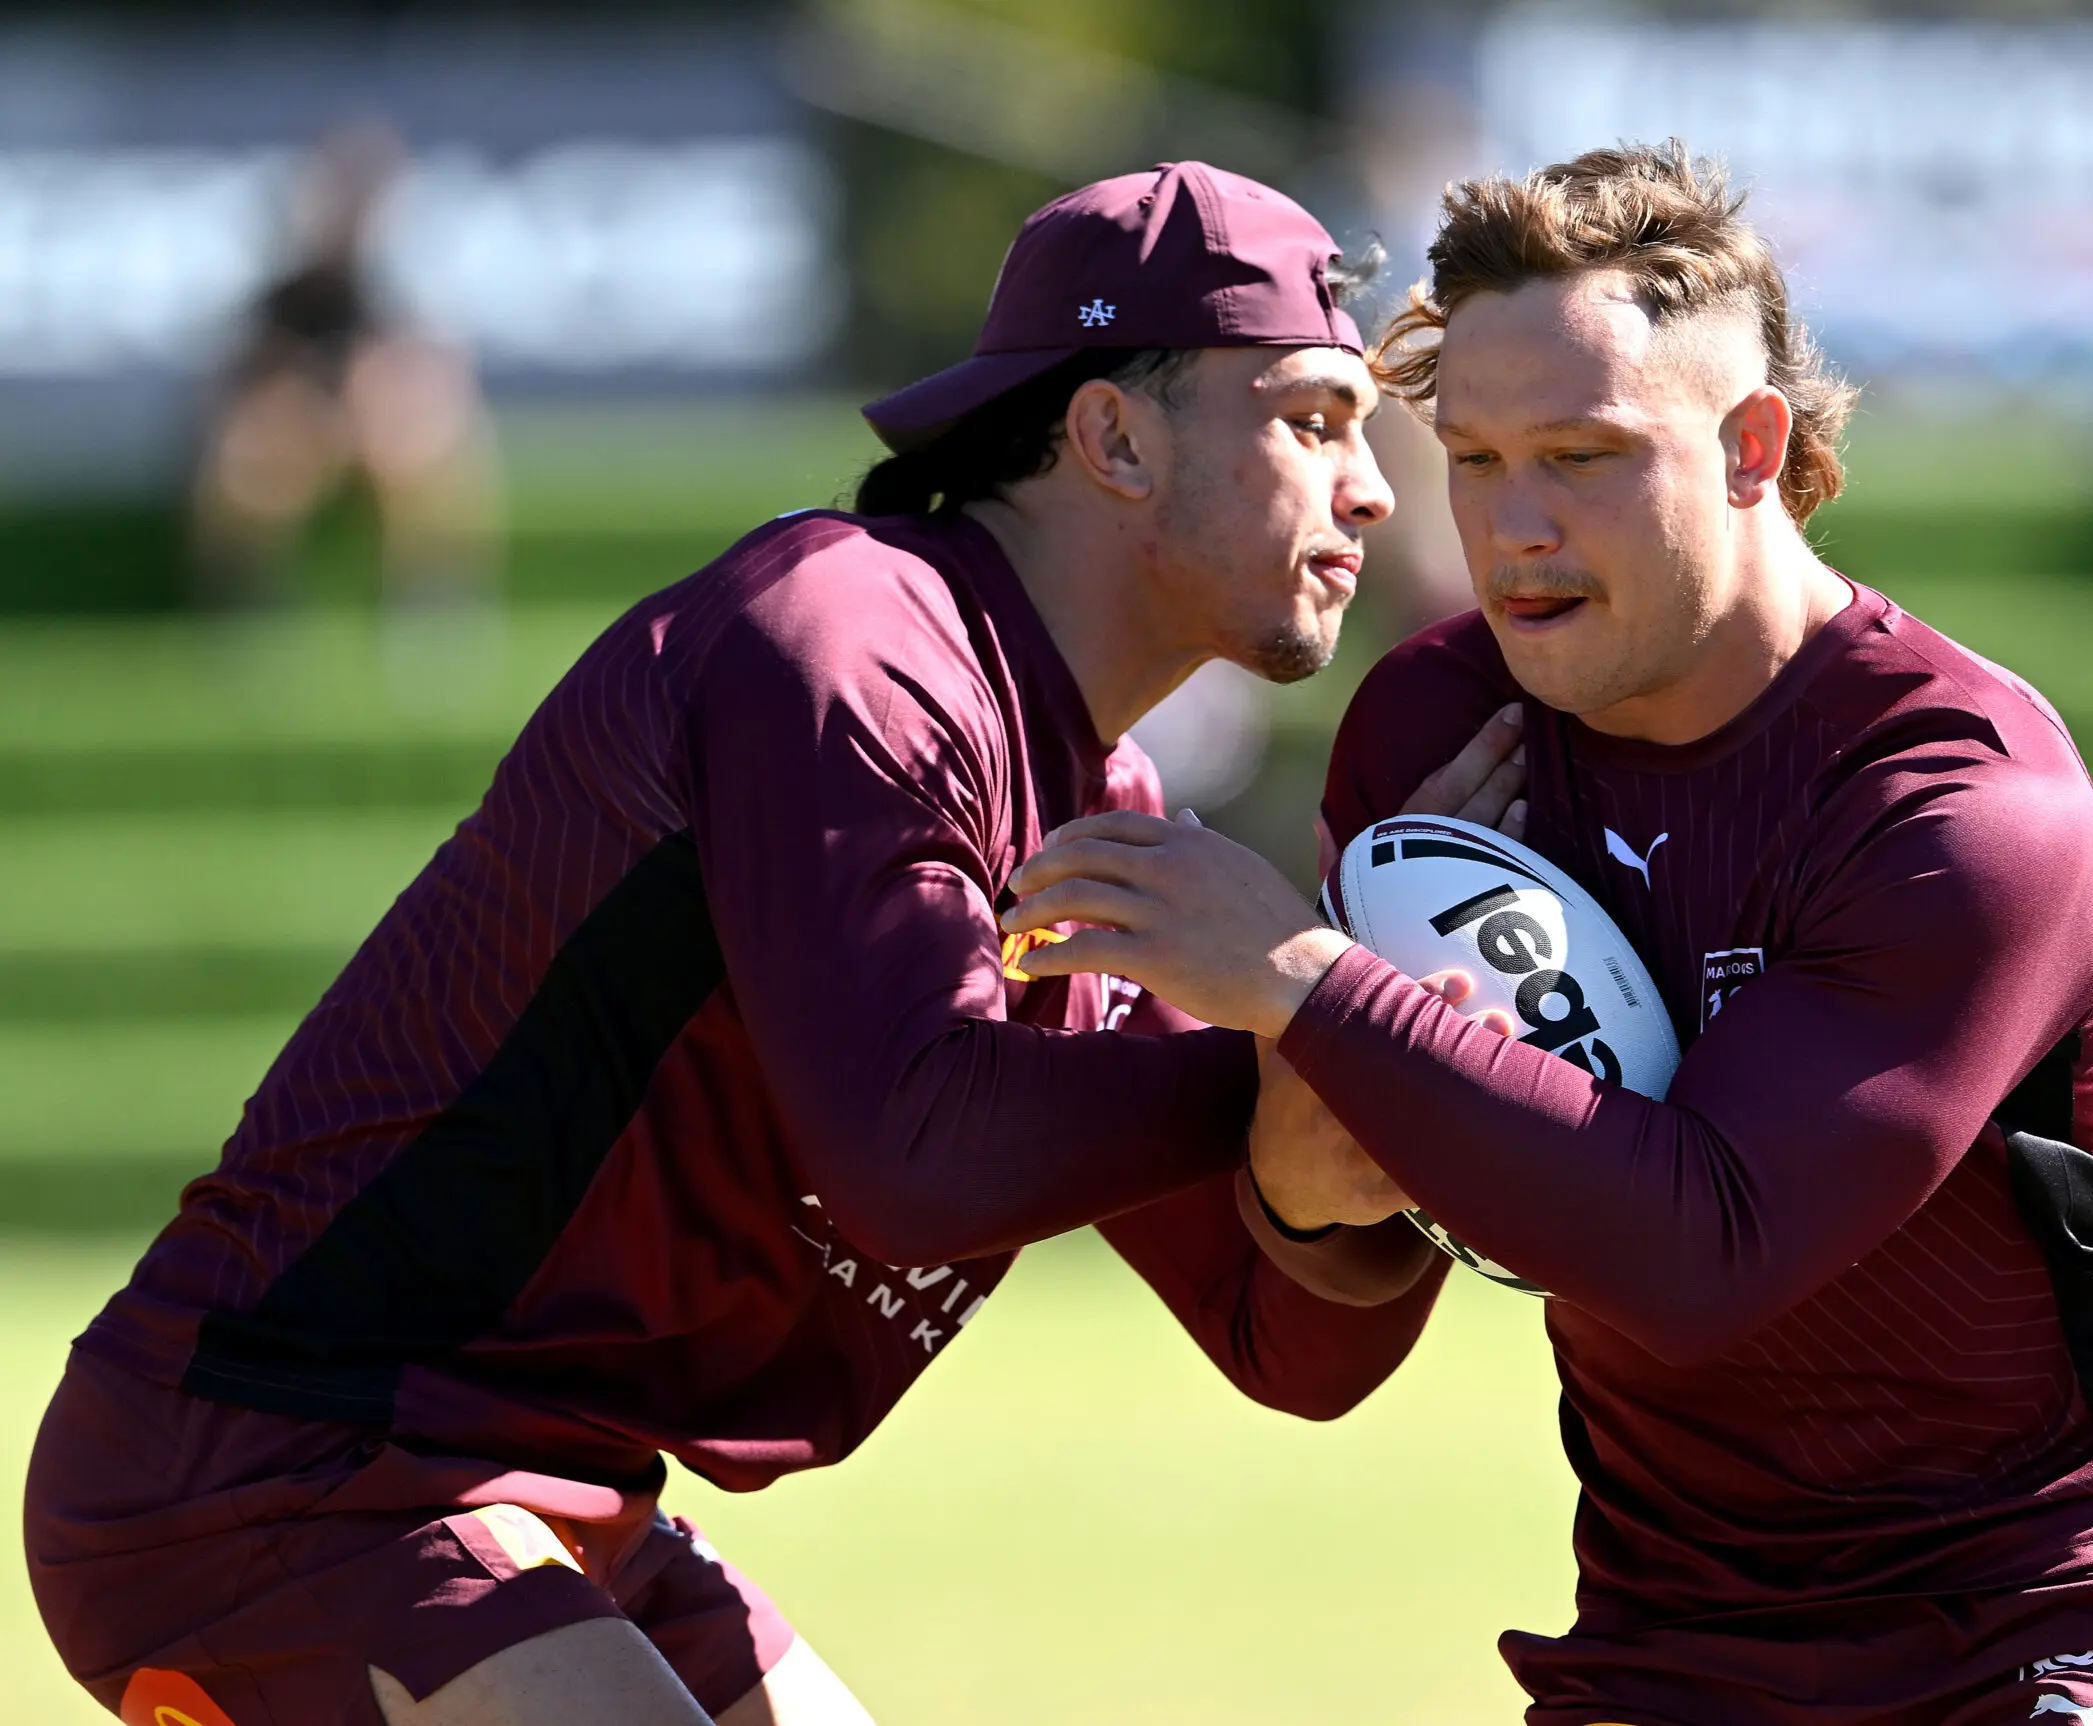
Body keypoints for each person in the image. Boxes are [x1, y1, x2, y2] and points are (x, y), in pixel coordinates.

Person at [25, 160, 1500, 1726]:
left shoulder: (1108, 806)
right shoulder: (852, 640)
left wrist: (1356, 1111)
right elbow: (911, 1151)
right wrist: (1310, 1032)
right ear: (1114, 437)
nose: (1376, 487)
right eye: (1312, 417)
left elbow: (1291, 1342)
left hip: (545, 1496)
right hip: (277, 1466)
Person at [1004, 143, 2093, 1725]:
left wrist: (1312, 982)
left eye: (1582, 455)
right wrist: (1318, 1159)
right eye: (1473, 457)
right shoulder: (1441, 733)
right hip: (1670, 1646)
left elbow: (1702, 1253)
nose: (1512, 526)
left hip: (2031, 1627)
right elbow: (1327, 1340)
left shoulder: (1961, 802)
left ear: (1752, 444)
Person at [190, 124, 501, 610]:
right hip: (304, 435)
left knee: (417, 444)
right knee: (253, 453)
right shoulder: (286, 293)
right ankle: (245, 595)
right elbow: (244, 383)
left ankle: (429, 592)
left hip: (385, 435)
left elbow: (437, 384)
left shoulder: (411, 283)